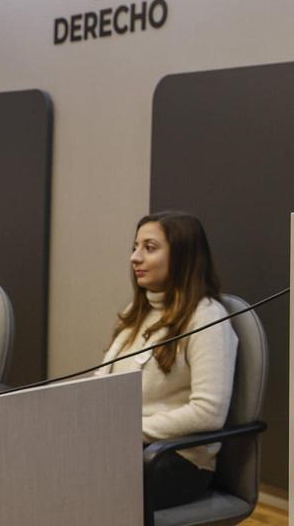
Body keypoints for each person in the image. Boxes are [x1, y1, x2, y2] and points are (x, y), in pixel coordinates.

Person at [97, 211, 237, 510]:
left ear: (183, 256)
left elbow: (208, 413)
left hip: (176, 460)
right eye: (135, 247)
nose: (135, 257)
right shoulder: (138, 310)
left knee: (76, 484)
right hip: (126, 445)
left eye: (149, 248)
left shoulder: (208, 318)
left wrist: (129, 429)